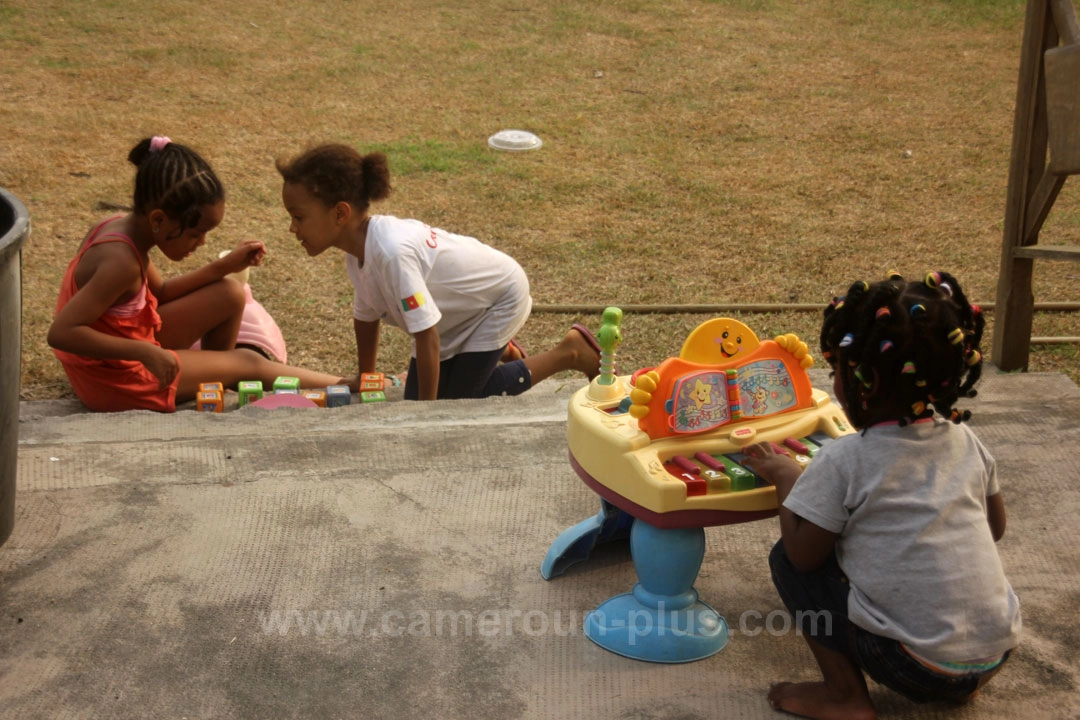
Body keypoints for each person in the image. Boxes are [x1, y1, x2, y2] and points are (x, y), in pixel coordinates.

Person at [740, 271, 1020, 719]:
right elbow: (995, 528)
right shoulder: (966, 440)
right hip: (996, 654)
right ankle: (961, 684)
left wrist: (786, 477)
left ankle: (844, 695)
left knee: (786, 561)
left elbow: (804, 557)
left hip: (912, 665)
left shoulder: (847, 458)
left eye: (836, 370)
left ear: (861, 379)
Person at [275, 143, 602, 401]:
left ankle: (571, 352)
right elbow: (365, 317)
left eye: (298, 216)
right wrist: (365, 377)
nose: (292, 227)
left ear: (340, 213)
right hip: (451, 315)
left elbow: (427, 335)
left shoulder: (392, 254)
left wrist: (426, 421)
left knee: (462, 400)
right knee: (423, 396)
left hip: (498, 297)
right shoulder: (357, 254)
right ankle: (496, 350)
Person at [48, 136, 348, 412]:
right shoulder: (120, 263)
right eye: (195, 233)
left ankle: (214, 376)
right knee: (248, 362)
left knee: (229, 293)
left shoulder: (118, 227)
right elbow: (62, 333)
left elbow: (161, 293)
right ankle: (345, 383)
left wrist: (225, 267)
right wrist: (145, 353)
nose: (202, 242)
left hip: (125, 352)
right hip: (116, 381)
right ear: (159, 219)